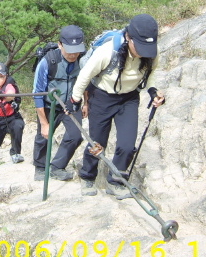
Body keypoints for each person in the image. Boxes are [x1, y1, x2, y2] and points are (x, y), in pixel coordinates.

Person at [70, 14, 165, 197]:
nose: (143, 52)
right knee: (97, 142)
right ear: (128, 37)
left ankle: (116, 181)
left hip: (129, 98)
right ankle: (88, 176)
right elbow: (85, 74)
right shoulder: (108, 51)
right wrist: (75, 99)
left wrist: (153, 91)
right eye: (139, 46)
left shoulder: (152, 51)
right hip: (102, 97)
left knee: (127, 145)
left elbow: (150, 74)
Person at [32, 25, 88, 181]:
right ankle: (40, 167)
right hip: (49, 105)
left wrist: (86, 103)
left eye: (76, 50)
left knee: (75, 136)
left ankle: (57, 166)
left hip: (72, 103)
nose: (73, 54)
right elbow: (37, 93)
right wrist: (44, 123)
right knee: (44, 135)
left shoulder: (82, 60)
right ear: (60, 45)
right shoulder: (48, 61)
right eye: (69, 50)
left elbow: (85, 81)